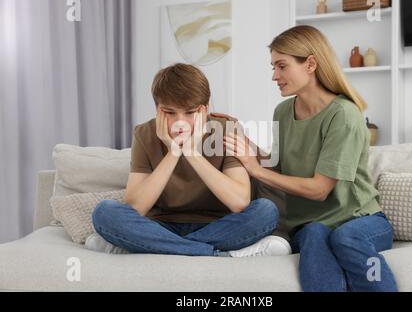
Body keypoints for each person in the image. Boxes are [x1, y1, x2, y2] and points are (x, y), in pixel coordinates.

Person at [216, 25, 398, 291]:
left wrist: (256, 170)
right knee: (313, 233)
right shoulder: (282, 111)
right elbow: (279, 167)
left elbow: (319, 190)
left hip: (360, 220)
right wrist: (242, 138)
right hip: (310, 223)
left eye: (281, 66)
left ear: (310, 64)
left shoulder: (343, 115)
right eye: (273, 67)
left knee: (345, 237)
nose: (274, 76)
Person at [86, 63, 291, 257]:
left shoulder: (226, 129)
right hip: (161, 226)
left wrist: (192, 153)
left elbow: (239, 202)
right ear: (158, 109)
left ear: (204, 109)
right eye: (170, 112)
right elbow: (137, 206)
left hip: (219, 226)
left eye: (190, 112)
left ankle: (149, 247)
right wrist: (174, 151)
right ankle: (213, 254)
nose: (180, 122)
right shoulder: (145, 133)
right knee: (105, 213)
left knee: (265, 211)